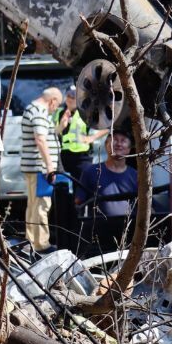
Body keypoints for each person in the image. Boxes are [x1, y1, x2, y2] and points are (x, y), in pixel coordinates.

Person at [77, 128, 138, 255]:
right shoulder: (90, 172)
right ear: (105, 145)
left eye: (123, 141)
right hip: (99, 238)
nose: (118, 144)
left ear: (130, 148)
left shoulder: (137, 175)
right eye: (114, 140)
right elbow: (78, 203)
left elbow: (149, 206)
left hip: (130, 236)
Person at [21, 87, 62, 253]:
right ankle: (41, 244)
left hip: (34, 167)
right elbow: (40, 139)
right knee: (42, 205)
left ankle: (31, 241)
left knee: (33, 205)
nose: (55, 109)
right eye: (56, 105)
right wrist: (50, 166)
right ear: (52, 100)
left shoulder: (32, 109)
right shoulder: (39, 112)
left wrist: (60, 127)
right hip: (40, 167)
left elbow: (45, 135)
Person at [54, 85, 108, 178]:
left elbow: (108, 126)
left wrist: (92, 138)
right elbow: (54, 133)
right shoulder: (59, 112)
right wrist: (61, 126)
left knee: (82, 184)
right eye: (69, 96)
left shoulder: (87, 112)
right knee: (65, 186)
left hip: (82, 155)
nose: (71, 99)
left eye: (74, 96)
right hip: (64, 155)